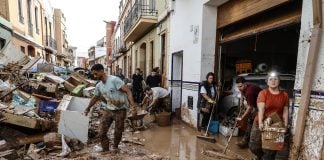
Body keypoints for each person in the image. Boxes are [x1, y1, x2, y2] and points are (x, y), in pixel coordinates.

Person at [84, 64, 136, 152]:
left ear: (101, 71)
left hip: (120, 110)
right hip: (108, 109)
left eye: (96, 74)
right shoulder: (99, 86)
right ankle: (106, 150)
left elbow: (128, 91)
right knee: (101, 132)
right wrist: (88, 108)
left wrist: (133, 107)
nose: (94, 76)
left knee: (118, 131)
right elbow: (95, 97)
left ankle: (115, 147)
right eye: (93, 74)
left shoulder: (114, 80)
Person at [249, 72, 289, 160]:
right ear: (267, 82)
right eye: (270, 79)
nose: (273, 81)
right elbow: (261, 109)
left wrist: (285, 125)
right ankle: (260, 156)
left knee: (269, 149)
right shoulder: (263, 93)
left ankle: (265, 158)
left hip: (275, 124)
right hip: (261, 121)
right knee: (254, 146)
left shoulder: (285, 95)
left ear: (279, 81)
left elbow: (285, 111)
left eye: (275, 79)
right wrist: (260, 123)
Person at [235, 77, 262, 148]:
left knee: (250, 120)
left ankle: (246, 141)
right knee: (249, 119)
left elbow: (250, 107)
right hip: (255, 104)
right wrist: (241, 102)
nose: (239, 88)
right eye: (238, 86)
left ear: (245, 84)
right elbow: (241, 93)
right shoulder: (243, 88)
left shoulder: (249, 92)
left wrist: (241, 117)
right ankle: (246, 139)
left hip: (262, 106)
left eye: (240, 86)